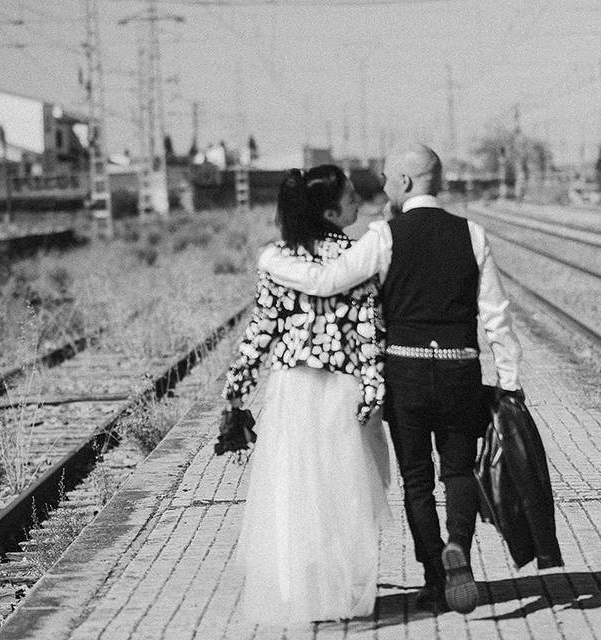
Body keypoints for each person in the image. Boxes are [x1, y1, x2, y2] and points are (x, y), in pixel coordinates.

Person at [258, 144, 523, 615]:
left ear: (403, 182)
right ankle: (458, 543)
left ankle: (435, 579)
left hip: (407, 373)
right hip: (461, 367)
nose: (381, 187)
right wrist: (509, 383)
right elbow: (497, 317)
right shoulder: (474, 234)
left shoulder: (384, 237)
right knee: (459, 470)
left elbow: (328, 280)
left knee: (417, 481)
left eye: (385, 178)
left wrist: (272, 261)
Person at [223, 165, 391, 625]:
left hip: (292, 388)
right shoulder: (357, 260)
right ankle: (344, 588)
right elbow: (368, 332)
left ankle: (302, 589)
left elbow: (261, 327)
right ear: (331, 209)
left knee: (294, 488)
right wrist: (374, 389)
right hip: (342, 386)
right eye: (351, 196)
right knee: (344, 490)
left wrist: (237, 387)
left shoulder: (279, 260)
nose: (359, 201)